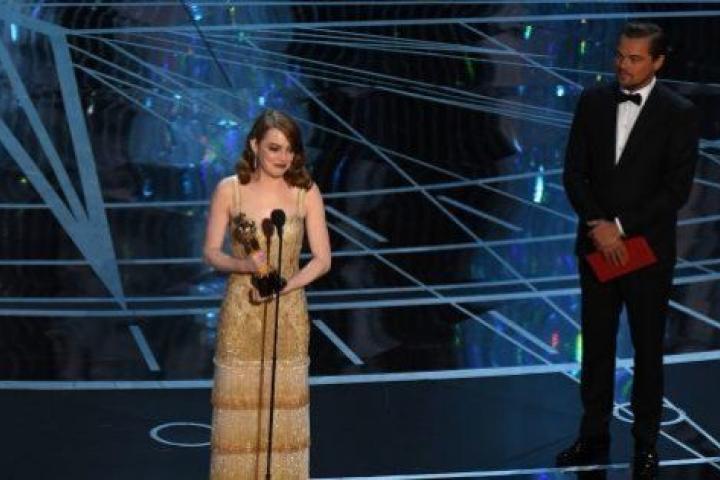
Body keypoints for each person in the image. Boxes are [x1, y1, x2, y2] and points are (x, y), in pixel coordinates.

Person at [557, 22, 699, 479]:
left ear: (658, 62)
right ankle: (592, 435)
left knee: (647, 351)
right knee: (596, 347)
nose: (624, 65)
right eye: (620, 55)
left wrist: (618, 228)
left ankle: (645, 444)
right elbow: (573, 173)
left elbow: (674, 191)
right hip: (597, 245)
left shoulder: (678, 113)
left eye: (635, 58)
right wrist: (598, 227)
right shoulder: (592, 101)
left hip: (646, 252)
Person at [203, 109, 331, 479]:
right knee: (238, 415)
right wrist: (245, 265)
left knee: (283, 413)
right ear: (254, 145)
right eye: (274, 148)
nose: (283, 157)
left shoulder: (306, 192)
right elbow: (211, 252)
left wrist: (283, 287)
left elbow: (322, 259)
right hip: (241, 313)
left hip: (287, 315)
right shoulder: (229, 190)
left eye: (290, 149)